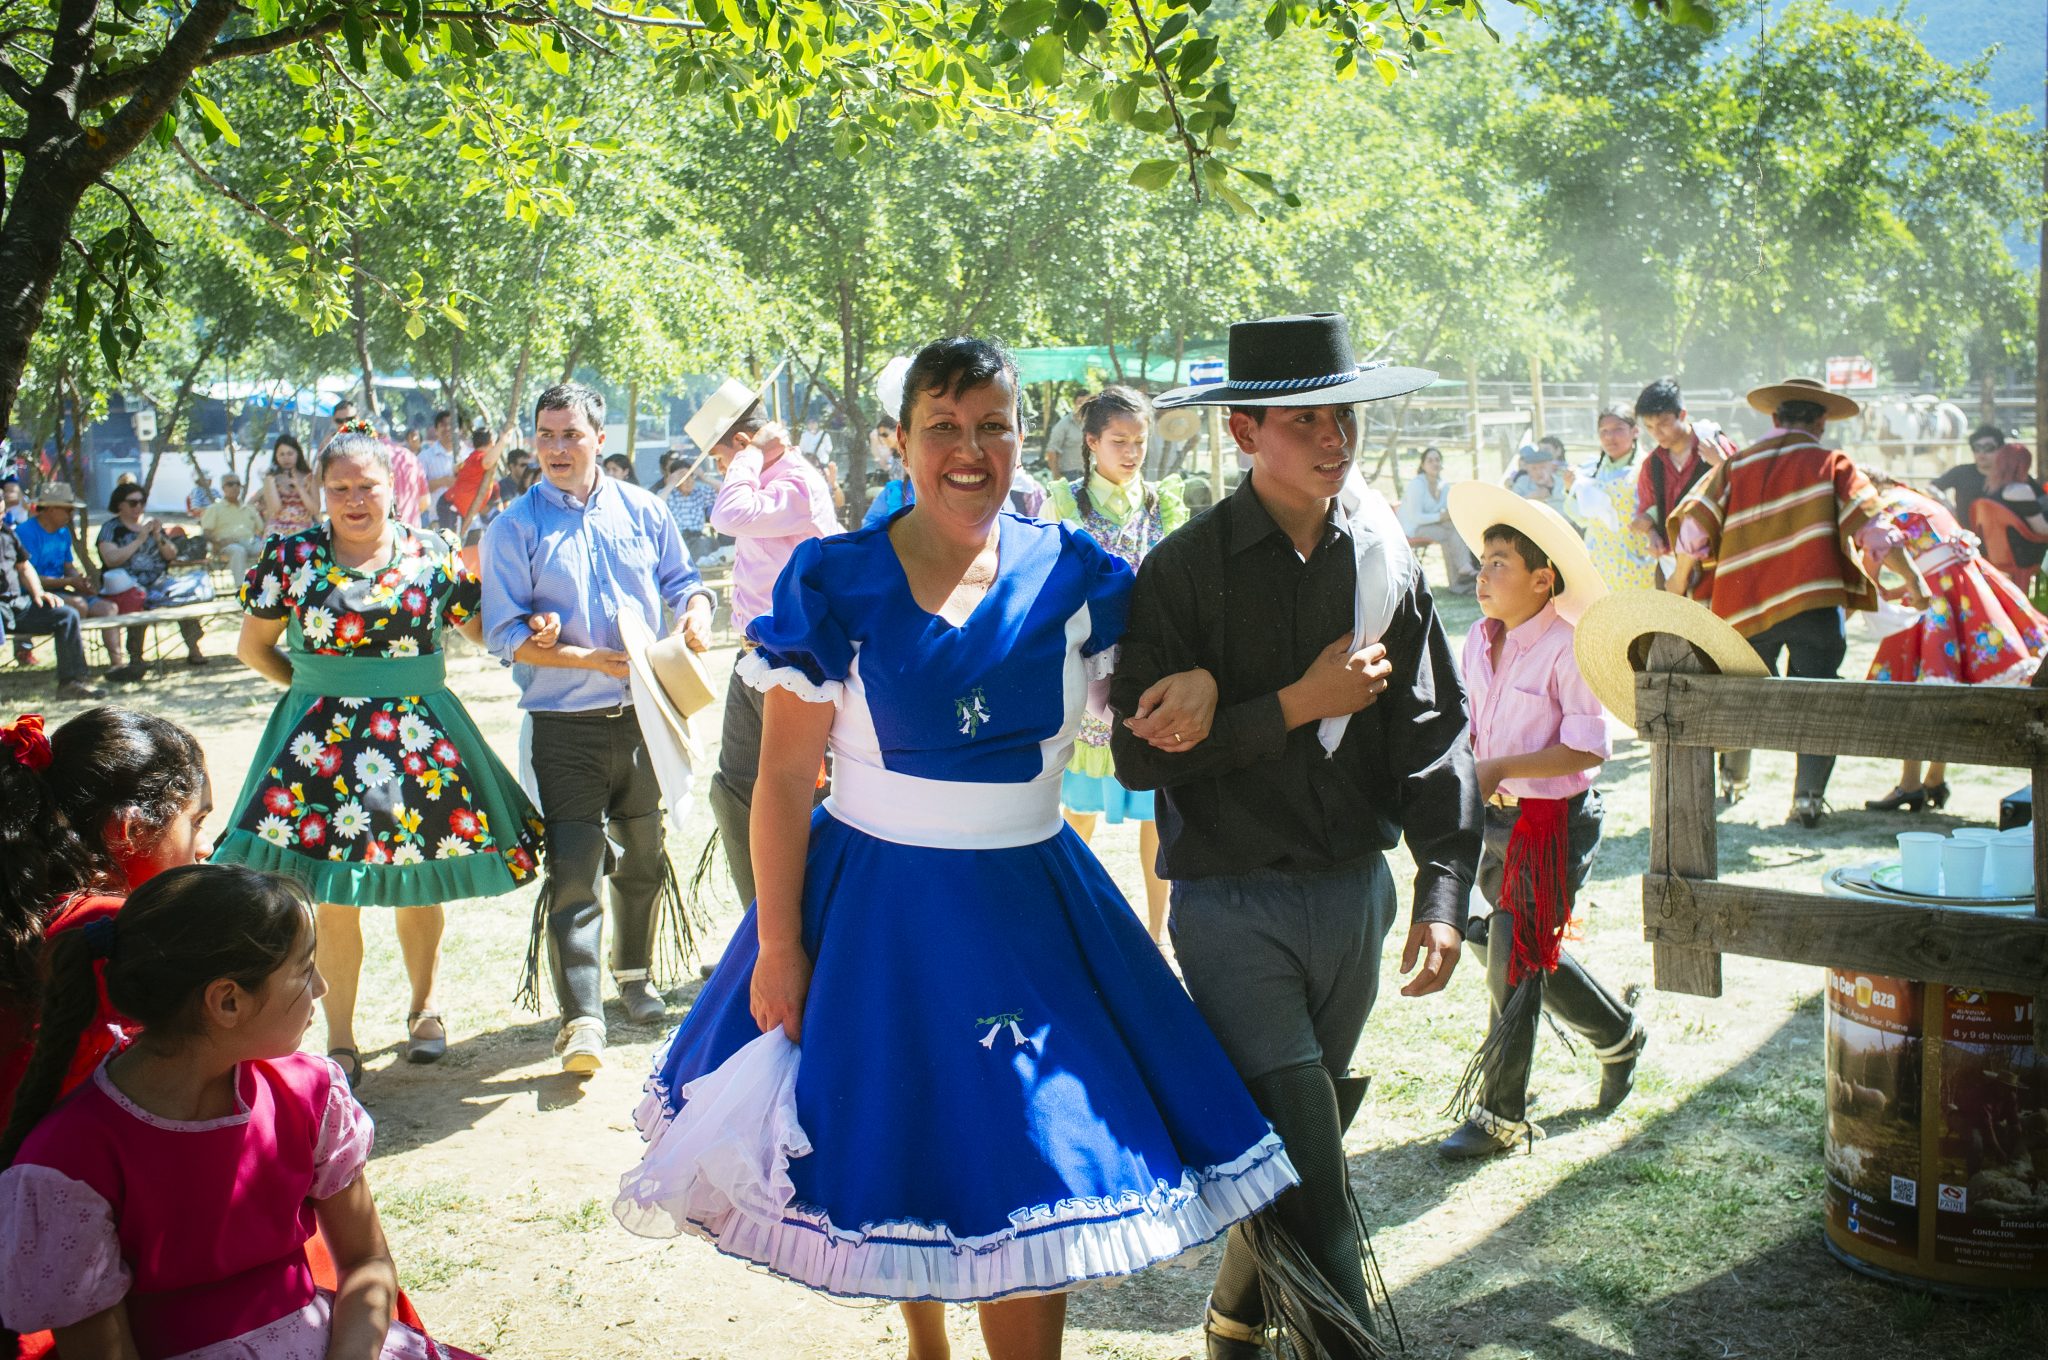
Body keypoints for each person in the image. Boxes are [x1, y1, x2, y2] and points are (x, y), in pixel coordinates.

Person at [615, 337, 1294, 1359]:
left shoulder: (1074, 570)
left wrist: (1188, 689)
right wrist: (782, 945)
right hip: (879, 911)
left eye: (992, 426)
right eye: (943, 427)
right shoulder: (834, 580)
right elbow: (785, 784)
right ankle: (927, 1344)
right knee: (909, 1138)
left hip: (1034, 904)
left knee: (1030, 1157)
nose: (969, 450)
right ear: (900, 443)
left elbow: (1155, 681)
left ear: (1024, 437)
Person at [1114, 313, 1479, 1357]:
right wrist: (1291, 700)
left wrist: (1442, 888)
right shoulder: (1181, 571)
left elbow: (1431, 730)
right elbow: (1142, 759)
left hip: (1352, 897)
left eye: (1342, 415)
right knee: (1316, 1180)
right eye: (1303, 419)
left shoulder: (1383, 558)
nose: (1333, 438)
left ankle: (1233, 1317)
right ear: (1241, 434)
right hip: (1231, 906)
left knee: (1293, 1144)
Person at [0, 863, 488, 1359]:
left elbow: (367, 1262)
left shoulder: (309, 1093)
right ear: (227, 1001)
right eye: (304, 969)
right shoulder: (70, 1163)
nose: (320, 987)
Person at [214, 426, 543, 1088]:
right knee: (335, 895)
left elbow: (486, 633)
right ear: (317, 491)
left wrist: (540, 627)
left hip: (419, 745)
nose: (354, 499)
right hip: (320, 750)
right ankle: (341, 1039)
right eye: (339, 488)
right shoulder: (291, 557)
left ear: (395, 489)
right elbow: (254, 648)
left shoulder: (434, 555)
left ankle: (424, 1007)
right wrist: (318, 691)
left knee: (418, 882)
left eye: (368, 486)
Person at [481, 383, 715, 1073]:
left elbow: (685, 581)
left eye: (569, 435)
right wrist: (571, 651)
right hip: (564, 724)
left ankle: (635, 980)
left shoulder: (644, 510)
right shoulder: (512, 527)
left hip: (647, 716)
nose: (555, 449)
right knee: (575, 869)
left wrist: (696, 613)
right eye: (545, 436)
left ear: (599, 438)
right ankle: (582, 1019)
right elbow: (502, 633)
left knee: (643, 854)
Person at [1436, 486, 1645, 1159]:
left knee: (1515, 956)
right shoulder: (1477, 640)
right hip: (1492, 817)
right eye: (1481, 560)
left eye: (1498, 562)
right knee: (1488, 936)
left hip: (1551, 822)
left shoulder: (1570, 646)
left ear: (1541, 579)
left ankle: (1501, 1114)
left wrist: (1498, 768)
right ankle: (1618, 1032)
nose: (1482, 574)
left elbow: (1589, 747)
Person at [1668, 378, 1928, 825]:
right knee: (1817, 695)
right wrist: (1917, 585)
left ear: (1774, 418)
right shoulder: (1833, 463)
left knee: (1741, 696)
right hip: (1815, 602)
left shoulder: (1737, 464)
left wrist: (1681, 586)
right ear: (1822, 422)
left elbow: (1693, 533)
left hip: (1743, 608)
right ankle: (1807, 799)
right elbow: (1876, 531)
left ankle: (1733, 779)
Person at [0, 707, 210, 1122]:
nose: (203, 848)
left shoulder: (30, 900)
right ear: (128, 831)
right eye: (197, 822)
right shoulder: (112, 929)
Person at [1043, 385, 1186, 943]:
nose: (1131, 452)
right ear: (1092, 442)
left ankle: (1157, 935)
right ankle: (1073, 928)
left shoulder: (1164, 503)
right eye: (1119, 441)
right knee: (1077, 809)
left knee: (1157, 812)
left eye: (1140, 441)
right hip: (1084, 669)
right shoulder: (1064, 502)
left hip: (1150, 668)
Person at [697, 387, 842, 908]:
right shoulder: (769, 480)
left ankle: (816, 917)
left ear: (739, 442)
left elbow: (729, 515)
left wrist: (750, 456)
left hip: (798, 659)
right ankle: (761, 925)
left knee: (810, 792)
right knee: (733, 788)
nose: (721, 469)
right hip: (756, 654)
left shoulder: (795, 480)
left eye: (721, 456)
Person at [1858, 474, 2048, 812]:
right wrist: (1905, 589)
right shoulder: (1921, 501)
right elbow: (1938, 557)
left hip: (1938, 600)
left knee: (1916, 688)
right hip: (1965, 589)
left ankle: (1911, 783)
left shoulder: (1885, 505)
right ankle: (1932, 778)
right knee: (1944, 684)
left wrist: (1872, 585)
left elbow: (1883, 547)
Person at [95, 483, 208, 677]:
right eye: (133, 503)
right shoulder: (111, 528)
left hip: (159, 583)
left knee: (185, 598)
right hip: (127, 587)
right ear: (120, 504)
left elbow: (170, 554)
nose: (138, 507)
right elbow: (111, 560)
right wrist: (139, 540)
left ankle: (194, 648)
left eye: (142, 502)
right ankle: (136, 658)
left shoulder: (151, 526)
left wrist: (157, 535)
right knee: (140, 603)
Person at [15, 480, 126, 671]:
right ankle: (76, 667)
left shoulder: (63, 533)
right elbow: (28, 576)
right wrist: (70, 581)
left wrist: (80, 581)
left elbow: (68, 566)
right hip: (33, 596)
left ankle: (118, 666)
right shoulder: (25, 532)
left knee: (108, 608)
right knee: (78, 606)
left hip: (61, 590)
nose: (71, 514)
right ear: (49, 509)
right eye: (67, 509)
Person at [1633, 377, 1737, 566]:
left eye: (1663, 424)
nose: (1656, 433)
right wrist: (1652, 532)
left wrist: (1721, 465)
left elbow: (1744, 492)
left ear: (1682, 415)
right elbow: (1647, 507)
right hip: (1670, 563)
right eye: (1649, 427)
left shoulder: (1715, 447)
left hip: (1715, 560)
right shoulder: (1652, 464)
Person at [0, 521, 102, 700]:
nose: (0, 517)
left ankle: (72, 683)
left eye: (1, 513)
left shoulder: (7, 533)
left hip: (16, 603)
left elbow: (24, 566)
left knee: (66, 615)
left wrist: (38, 592)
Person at [1566, 404, 1657, 591]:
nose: (1609, 437)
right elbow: (1582, 519)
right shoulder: (1592, 470)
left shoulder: (1649, 467)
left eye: (1618, 430)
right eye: (1604, 431)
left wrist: (1650, 517)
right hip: (1600, 562)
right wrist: (1571, 489)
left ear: (1635, 431)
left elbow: (1662, 507)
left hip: (1638, 562)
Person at [1397, 445, 1475, 592]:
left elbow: (1447, 510)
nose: (1434, 463)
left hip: (1434, 526)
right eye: (1430, 460)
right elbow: (1416, 517)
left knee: (1454, 530)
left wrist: (1447, 516)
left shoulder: (1444, 486)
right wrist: (1441, 516)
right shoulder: (1417, 484)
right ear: (1423, 465)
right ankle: (1463, 570)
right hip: (1412, 529)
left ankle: (1458, 583)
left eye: (1437, 460)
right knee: (1449, 534)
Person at [1932, 424, 2006, 526]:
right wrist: (1948, 506)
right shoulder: (1961, 472)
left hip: (1999, 536)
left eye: (1988, 448)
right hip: (1966, 535)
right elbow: (1931, 487)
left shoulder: (2010, 475)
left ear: (2001, 450)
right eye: (1977, 448)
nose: (1982, 453)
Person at [199, 473, 269, 579]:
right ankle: (241, 589)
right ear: (223, 488)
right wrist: (218, 542)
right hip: (226, 545)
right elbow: (206, 532)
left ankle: (267, 586)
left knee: (270, 548)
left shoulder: (249, 508)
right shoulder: (214, 508)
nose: (235, 487)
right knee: (238, 550)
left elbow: (262, 529)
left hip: (250, 542)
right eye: (230, 484)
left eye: (237, 484)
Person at [657, 450, 719, 562]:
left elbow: (726, 491)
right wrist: (671, 483)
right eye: (683, 478)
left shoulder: (700, 492)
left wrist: (704, 477)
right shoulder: (667, 494)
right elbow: (656, 506)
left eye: (691, 476)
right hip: (677, 541)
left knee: (707, 543)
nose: (688, 481)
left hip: (698, 539)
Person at [256, 434, 321, 538]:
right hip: (277, 531)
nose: (286, 458)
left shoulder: (309, 477)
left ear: (298, 454)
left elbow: (315, 510)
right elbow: (275, 509)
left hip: (303, 531)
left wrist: (300, 488)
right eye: (281, 454)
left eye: (290, 453)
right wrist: (271, 481)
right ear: (276, 457)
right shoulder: (271, 479)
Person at [1042, 389, 1087, 478]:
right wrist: (1056, 476)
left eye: (1086, 403)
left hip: (1090, 474)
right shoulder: (1064, 424)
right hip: (1071, 474)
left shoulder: (1094, 424)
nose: (1082, 406)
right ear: (1074, 403)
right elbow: (1052, 450)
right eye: (1080, 402)